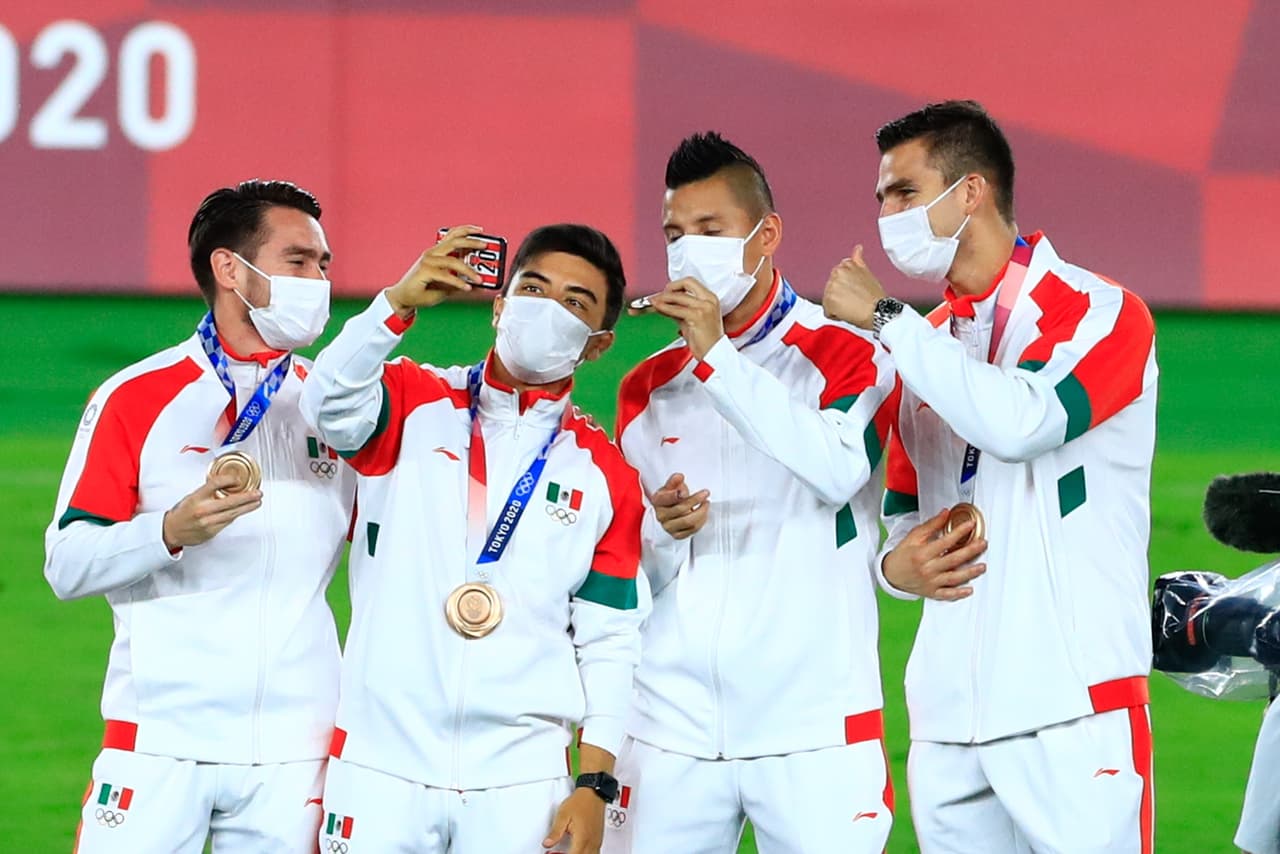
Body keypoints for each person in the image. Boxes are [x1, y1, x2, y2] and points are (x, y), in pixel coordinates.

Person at [822, 100, 1157, 853]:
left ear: (969, 192)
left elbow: (1021, 424)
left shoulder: (1100, 312)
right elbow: (902, 518)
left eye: (904, 192)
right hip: (948, 723)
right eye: (881, 197)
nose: (886, 213)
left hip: (1072, 710)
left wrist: (885, 315)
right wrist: (894, 567)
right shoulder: (925, 346)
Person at [300, 223, 646, 854]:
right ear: (499, 305)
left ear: (598, 344)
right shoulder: (409, 400)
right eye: (533, 288)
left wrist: (594, 784)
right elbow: (323, 405)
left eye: (574, 303)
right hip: (380, 763)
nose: (547, 309)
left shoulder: (606, 473)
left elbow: (610, 641)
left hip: (520, 779)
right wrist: (396, 305)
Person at [605, 132, 897, 853]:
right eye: (675, 233)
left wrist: (716, 359)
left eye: (710, 230)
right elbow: (625, 565)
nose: (687, 251)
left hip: (816, 727)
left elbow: (836, 469)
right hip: (670, 725)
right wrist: (658, 531)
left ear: (766, 236)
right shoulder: (646, 389)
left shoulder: (850, 352)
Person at [44, 180, 355, 852]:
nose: (319, 281)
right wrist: (167, 531)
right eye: (298, 261)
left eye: (323, 265)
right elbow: (66, 565)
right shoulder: (137, 397)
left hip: (296, 752)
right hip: (158, 741)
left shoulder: (336, 410)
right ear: (228, 268)